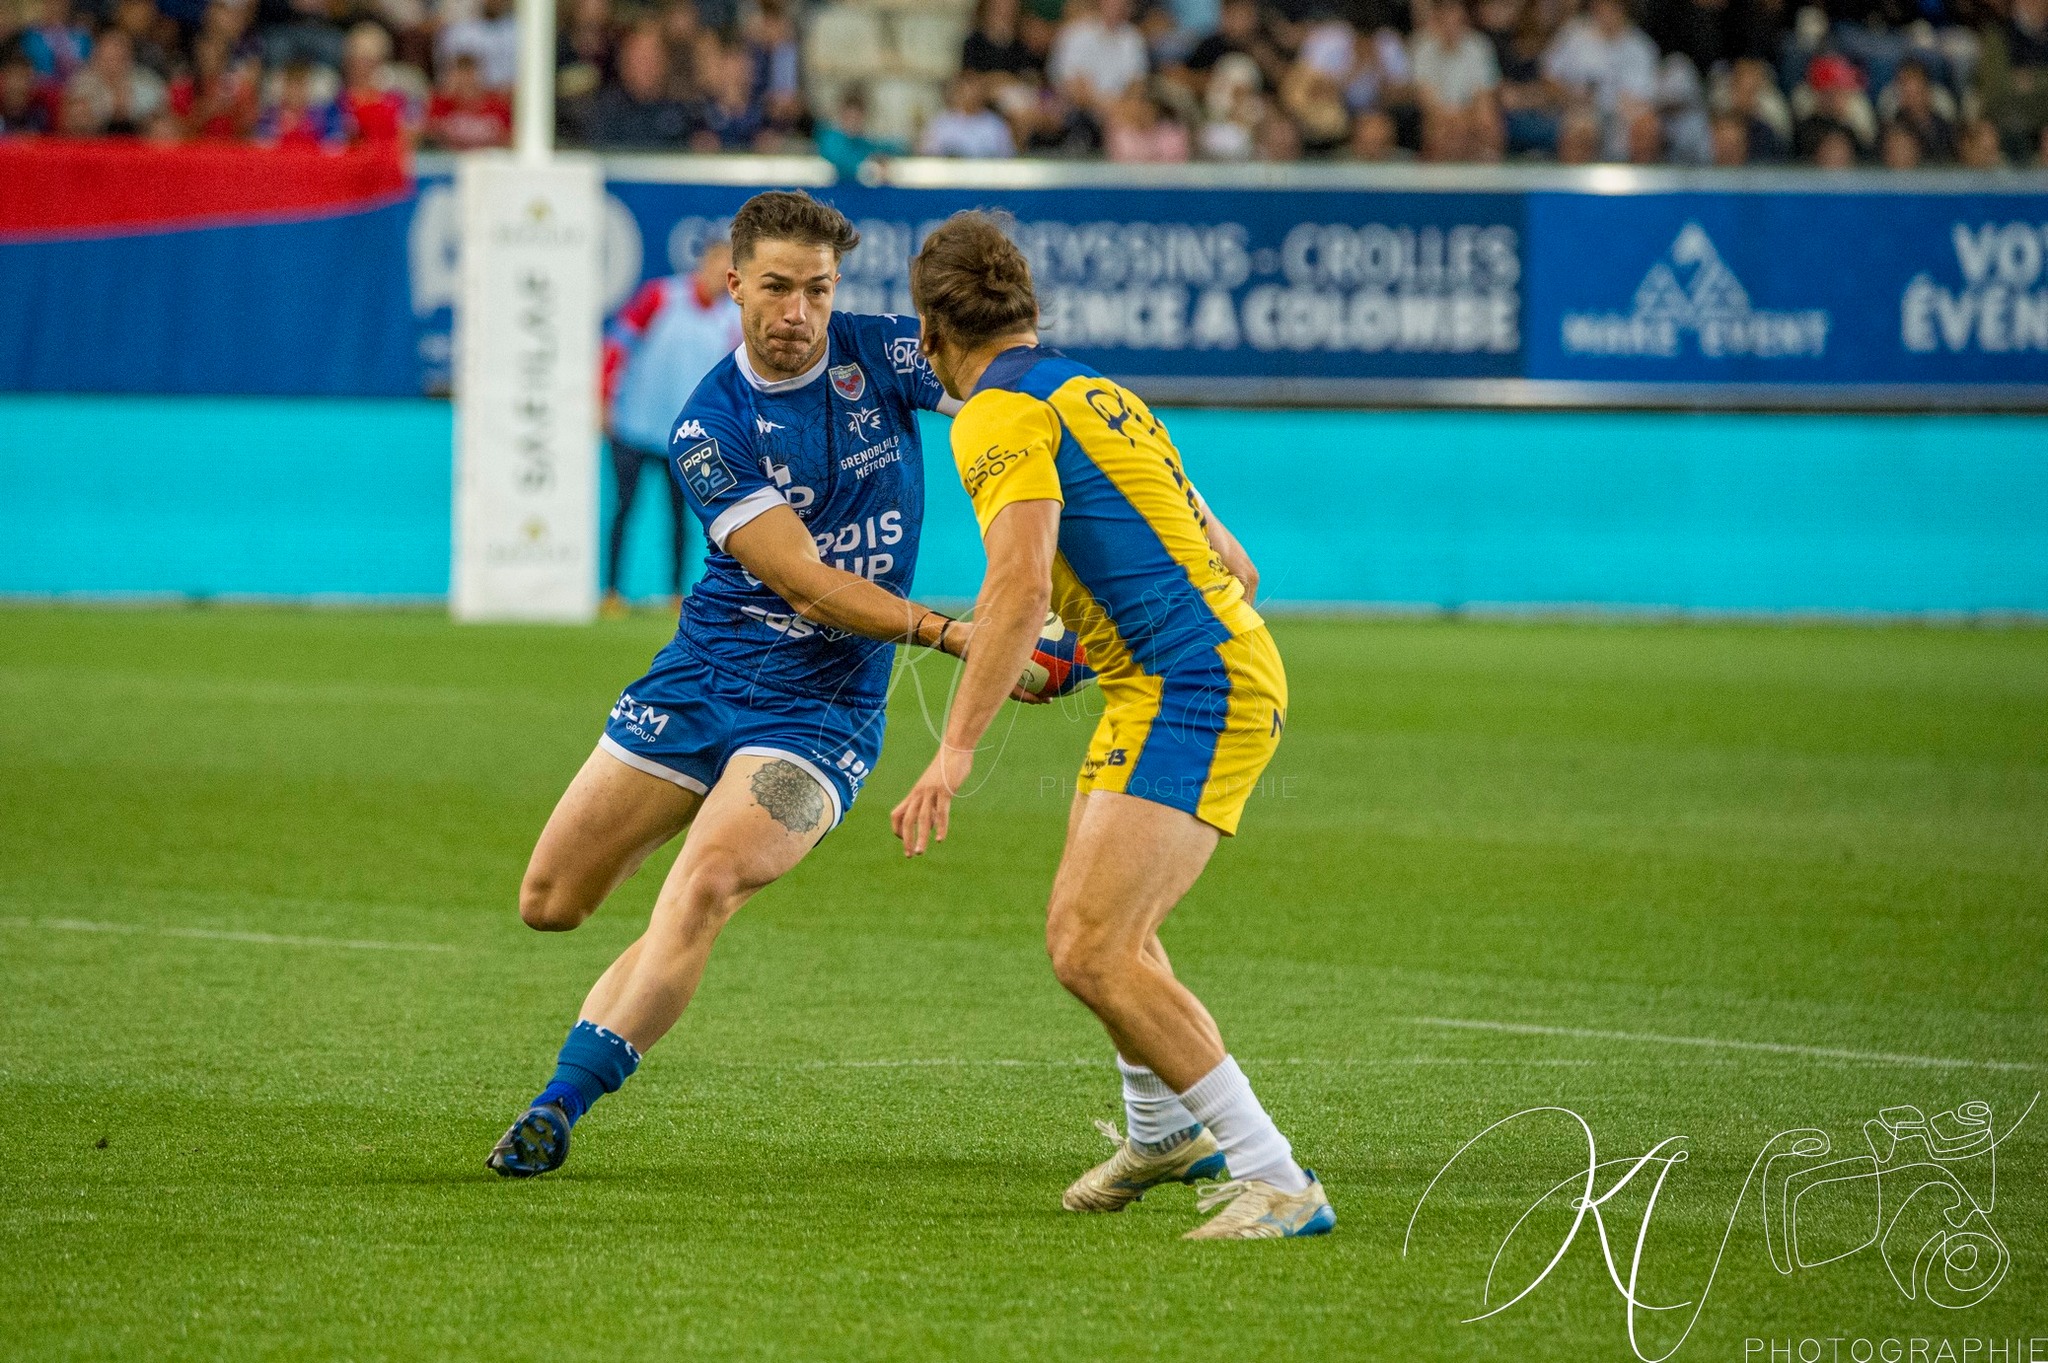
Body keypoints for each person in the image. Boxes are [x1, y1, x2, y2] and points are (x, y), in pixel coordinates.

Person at [486, 192, 1074, 1180]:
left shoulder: (885, 354)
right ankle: (669, 863)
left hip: (819, 712)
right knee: (550, 901)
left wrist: (1151, 511)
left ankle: (558, 1102)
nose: (798, 311)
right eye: (775, 289)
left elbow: (1026, 397)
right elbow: (803, 579)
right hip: (701, 678)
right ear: (735, 288)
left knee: (704, 884)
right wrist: (962, 636)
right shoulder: (707, 427)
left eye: (817, 288)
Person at [895, 211, 1335, 1241]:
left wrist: (952, 751)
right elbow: (1233, 565)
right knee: (1108, 933)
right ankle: (1162, 1132)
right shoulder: (1097, 392)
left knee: (1088, 947)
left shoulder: (993, 417)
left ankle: (1277, 1179)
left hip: (1193, 685)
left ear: (929, 336)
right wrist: (1088, 643)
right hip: (1185, 673)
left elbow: (1012, 585)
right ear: (1028, 312)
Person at [599, 237, 743, 616]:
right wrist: (603, 399)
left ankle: (677, 594)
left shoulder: (731, 319)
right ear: (704, 264)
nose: (721, 275)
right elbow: (616, 344)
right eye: (717, 265)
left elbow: (733, 381)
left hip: (685, 438)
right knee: (624, 509)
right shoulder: (660, 296)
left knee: (681, 516)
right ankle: (611, 591)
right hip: (633, 425)